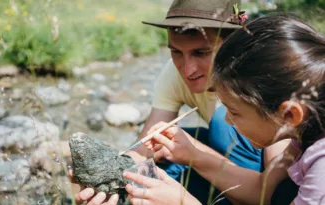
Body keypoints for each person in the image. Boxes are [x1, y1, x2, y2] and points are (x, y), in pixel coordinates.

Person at [69, 0, 289, 204]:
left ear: (233, 44)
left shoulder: (265, 78)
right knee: (164, 144)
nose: (187, 69)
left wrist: (195, 155)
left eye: (201, 53)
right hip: (229, 164)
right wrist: (107, 170)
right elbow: (145, 145)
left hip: (272, 187)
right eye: (176, 52)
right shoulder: (174, 74)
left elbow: (277, 190)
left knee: (220, 126)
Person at [126, 13, 325, 205]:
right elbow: (262, 192)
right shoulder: (303, 138)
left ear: (289, 115)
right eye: (176, 51)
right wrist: (192, 155)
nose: (229, 120)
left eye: (235, 112)